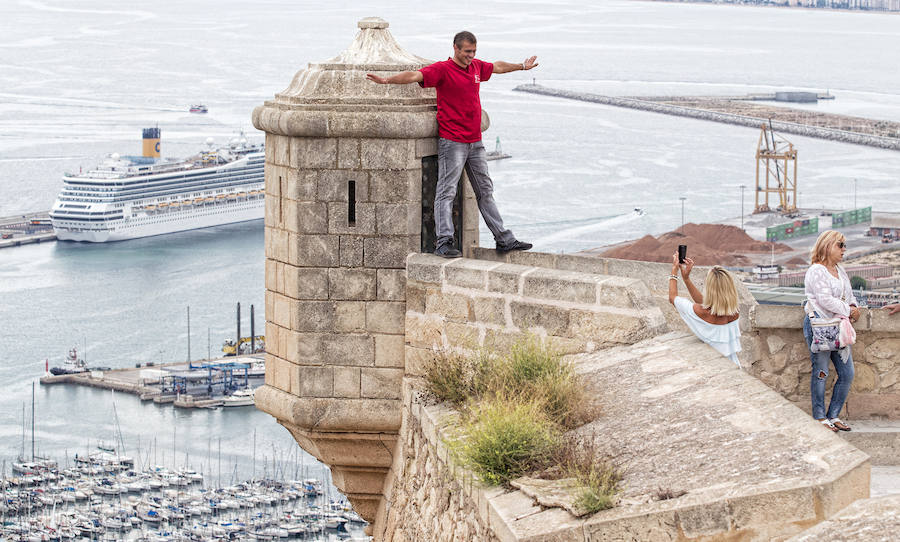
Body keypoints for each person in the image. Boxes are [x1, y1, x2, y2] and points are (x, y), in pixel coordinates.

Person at [367, 31, 536, 258]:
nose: (471, 56)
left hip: (475, 142)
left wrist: (522, 67)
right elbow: (414, 75)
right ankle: (444, 242)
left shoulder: (476, 67)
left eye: (474, 52)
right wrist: (387, 81)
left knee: (485, 191)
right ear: (455, 48)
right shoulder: (442, 70)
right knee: (446, 192)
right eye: (467, 52)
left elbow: (496, 67)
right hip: (453, 141)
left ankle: (504, 239)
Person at [803, 230, 859, 433]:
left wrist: (854, 306)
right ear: (827, 246)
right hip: (821, 326)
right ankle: (820, 416)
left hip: (839, 326)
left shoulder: (840, 270)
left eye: (844, 245)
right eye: (840, 245)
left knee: (847, 373)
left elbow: (849, 294)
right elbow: (824, 299)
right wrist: (849, 310)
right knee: (821, 371)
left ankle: (833, 414)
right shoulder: (817, 270)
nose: (844, 249)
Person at [668, 254, 742, 367]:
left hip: (713, 370)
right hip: (734, 366)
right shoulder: (734, 312)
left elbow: (673, 298)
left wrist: (674, 270)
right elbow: (707, 304)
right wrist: (686, 279)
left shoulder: (701, 312)